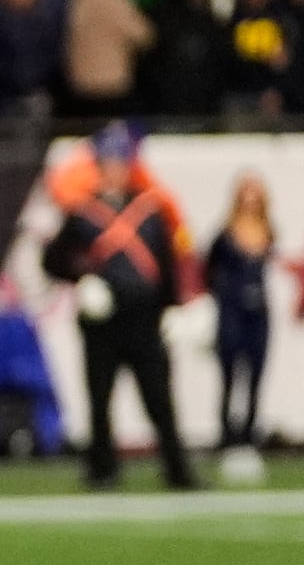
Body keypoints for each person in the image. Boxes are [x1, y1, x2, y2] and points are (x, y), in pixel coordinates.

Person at [38, 124, 203, 491]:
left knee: (159, 396)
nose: (115, 170)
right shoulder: (82, 212)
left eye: (120, 163)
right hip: (102, 319)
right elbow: (53, 260)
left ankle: (177, 469)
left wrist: (175, 305)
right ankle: (102, 469)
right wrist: (82, 279)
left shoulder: (150, 210)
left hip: (145, 316)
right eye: (109, 163)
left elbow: (166, 262)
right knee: (100, 397)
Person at [204, 176, 280, 483]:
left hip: (258, 312)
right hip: (232, 311)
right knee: (229, 375)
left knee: (255, 374)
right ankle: (227, 435)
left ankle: (249, 435)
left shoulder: (268, 231)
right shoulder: (225, 234)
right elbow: (208, 269)